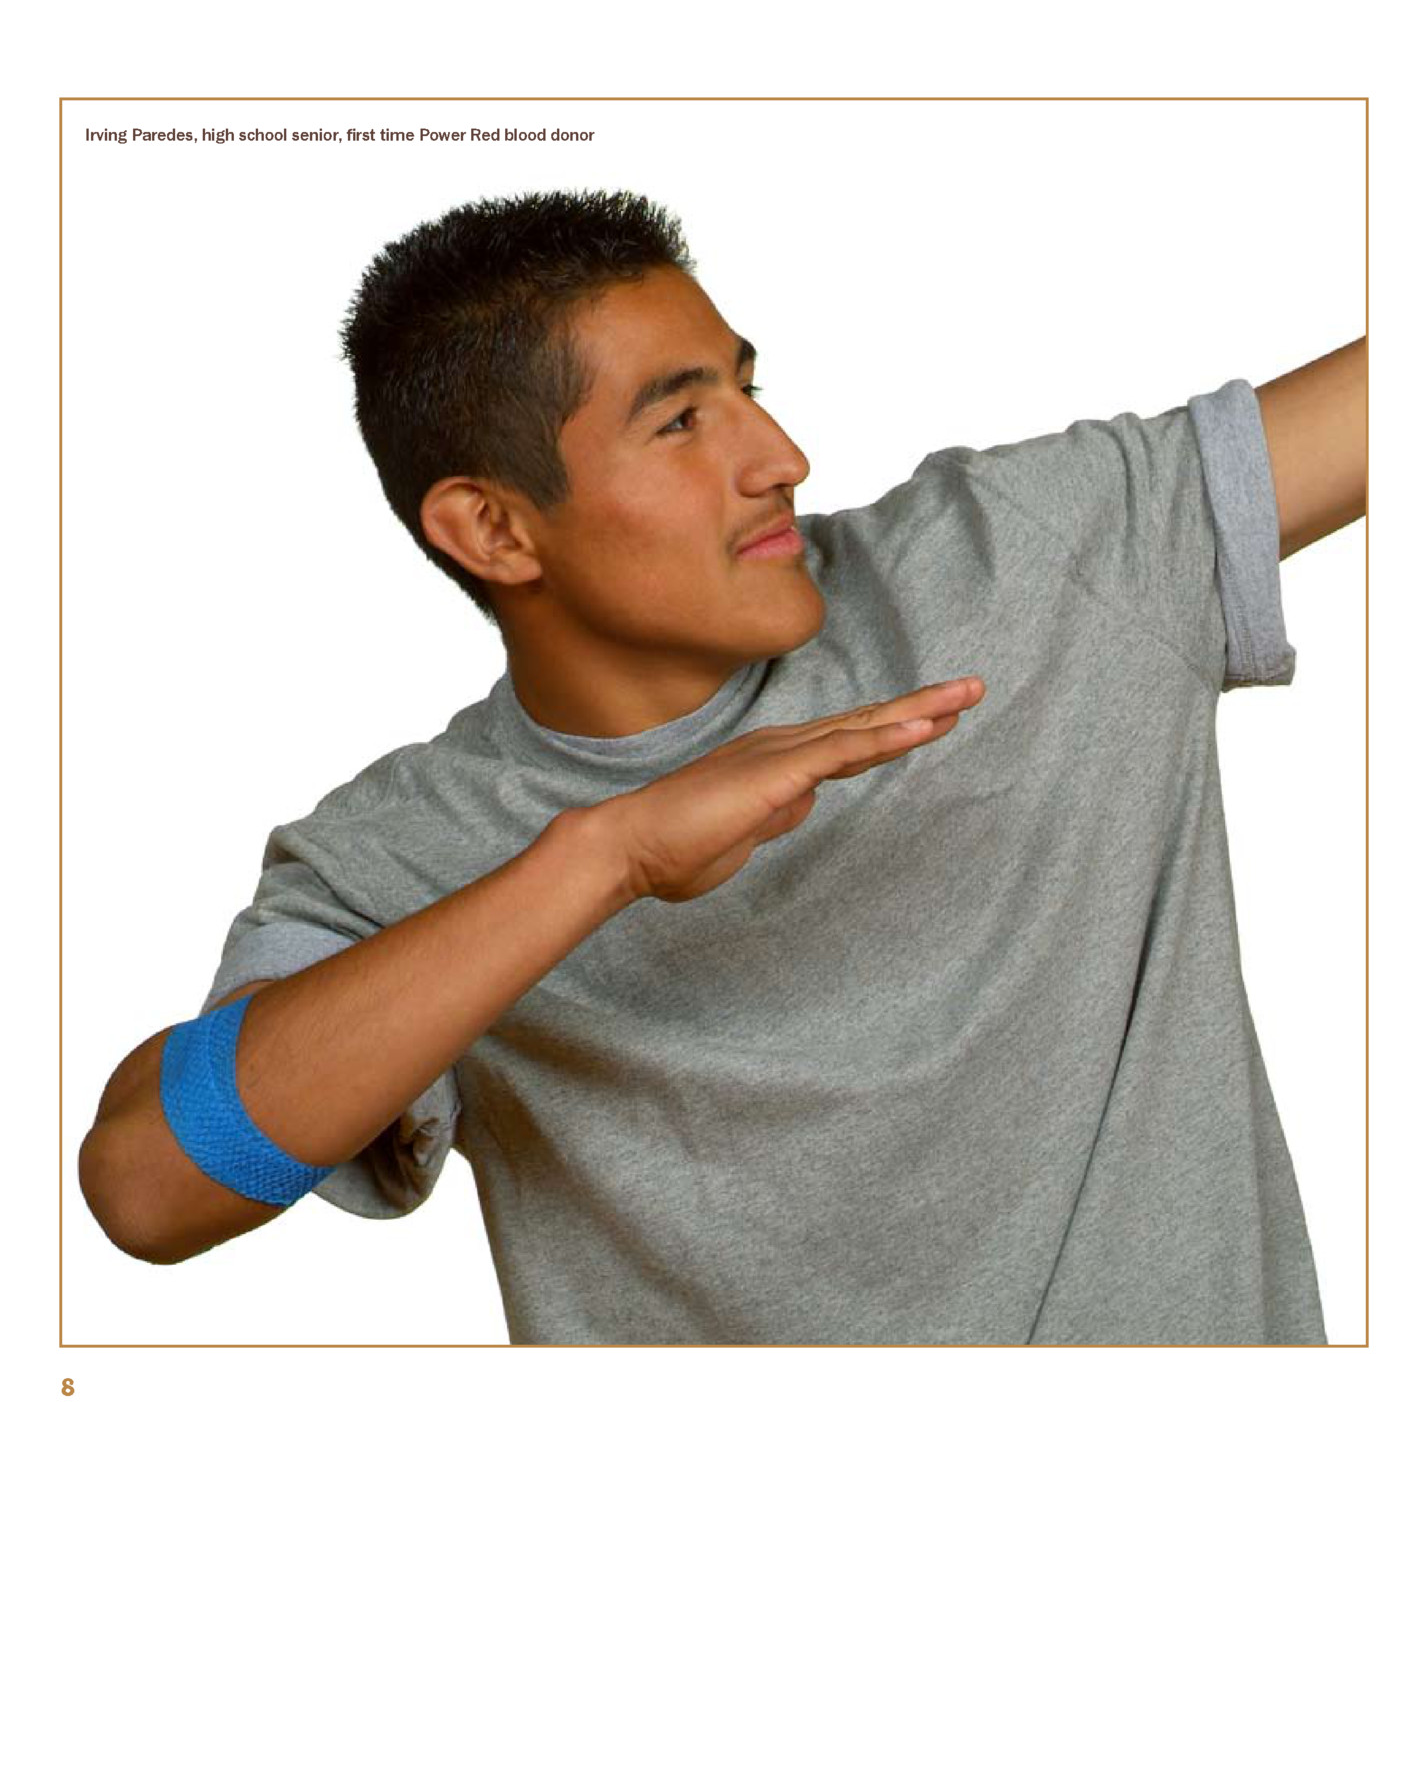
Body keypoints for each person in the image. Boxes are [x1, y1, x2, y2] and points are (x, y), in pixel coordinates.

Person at [77, 189, 1366, 1345]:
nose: (780, 458)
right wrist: (607, 857)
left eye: (749, 388)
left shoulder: (1033, 554)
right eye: (682, 420)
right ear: (495, 529)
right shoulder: (404, 856)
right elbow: (146, 1192)